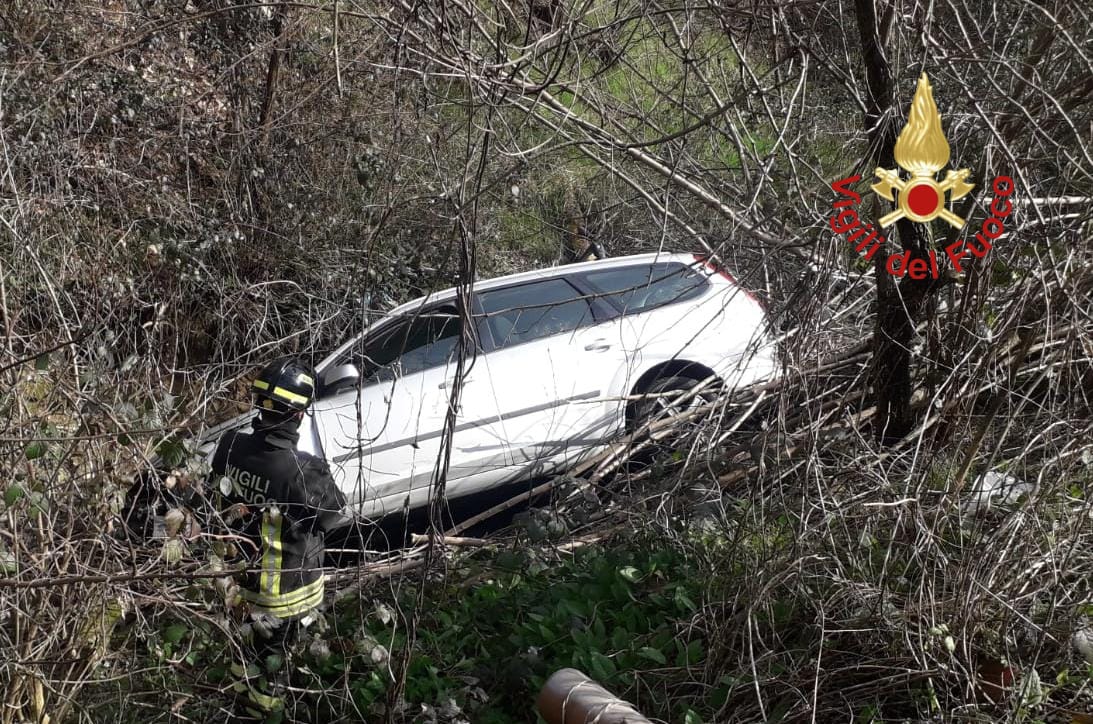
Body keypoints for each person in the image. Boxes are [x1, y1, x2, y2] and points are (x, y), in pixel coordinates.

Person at [210, 357, 353, 719]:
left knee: (243, 653)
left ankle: (238, 699)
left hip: (236, 585)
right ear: (299, 414)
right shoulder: (303, 470)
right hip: (284, 596)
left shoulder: (228, 446)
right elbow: (334, 516)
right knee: (273, 667)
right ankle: (262, 712)